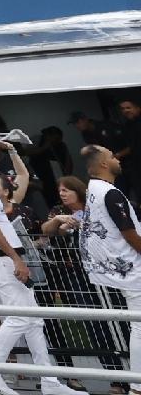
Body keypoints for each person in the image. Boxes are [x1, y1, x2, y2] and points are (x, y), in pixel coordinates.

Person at [0, 142, 76, 395]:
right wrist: (16, 258)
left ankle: (49, 381)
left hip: (4, 256)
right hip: (2, 258)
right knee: (20, 317)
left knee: (34, 321)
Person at [80, 147, 141, 382]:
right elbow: (129, 234)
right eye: (113, 156)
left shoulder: (93, 188)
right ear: (105, 164)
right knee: (139, 327)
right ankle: (137, 385)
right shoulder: (110, 193)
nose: (117, 159)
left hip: (116, 266)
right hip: (130, 268)